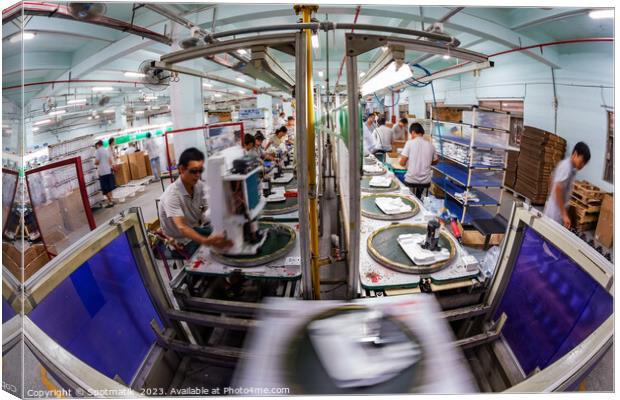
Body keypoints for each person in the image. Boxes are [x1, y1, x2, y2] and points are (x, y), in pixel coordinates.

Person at [158, 147, 232, 253]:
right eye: (193, 171)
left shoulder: (198, 186)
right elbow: (182, 227)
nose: (198, 175)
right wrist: (205, 241)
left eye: (200, 170)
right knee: (211, 254)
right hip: (180, 241)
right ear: (182, 169)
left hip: (194, 229)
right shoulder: (172, 196)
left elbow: (209, 208)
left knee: (226, 234)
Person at [543, 142, 591, 228]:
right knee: (550, 235)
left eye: (585, 163)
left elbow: (551, 178)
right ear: (575, 154)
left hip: (557, 209)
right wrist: (564, 214)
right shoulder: (566, 167)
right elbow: (558, 189)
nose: (582, 165)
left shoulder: (572, 169)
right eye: (582, 161)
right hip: (555, 212)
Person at [399, 122, 439, 199]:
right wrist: (426, 161)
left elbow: (402, 163)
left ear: (413, 132)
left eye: (411, 134)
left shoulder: (410, 143)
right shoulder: (431, 145)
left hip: (411, 180)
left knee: (409, 198)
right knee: (421, 198)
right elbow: (436, 161)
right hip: (425, 182)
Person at [94, 140, 115, 208]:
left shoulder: (97, 151)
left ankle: (110, 202)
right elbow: (110, 161)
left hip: (102, 172)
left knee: (105, 188)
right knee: (109, 187)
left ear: (98, 145)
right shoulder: (106, 150)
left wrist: (94, 163)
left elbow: (97, 162)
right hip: (108, 170)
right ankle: (112, 199)